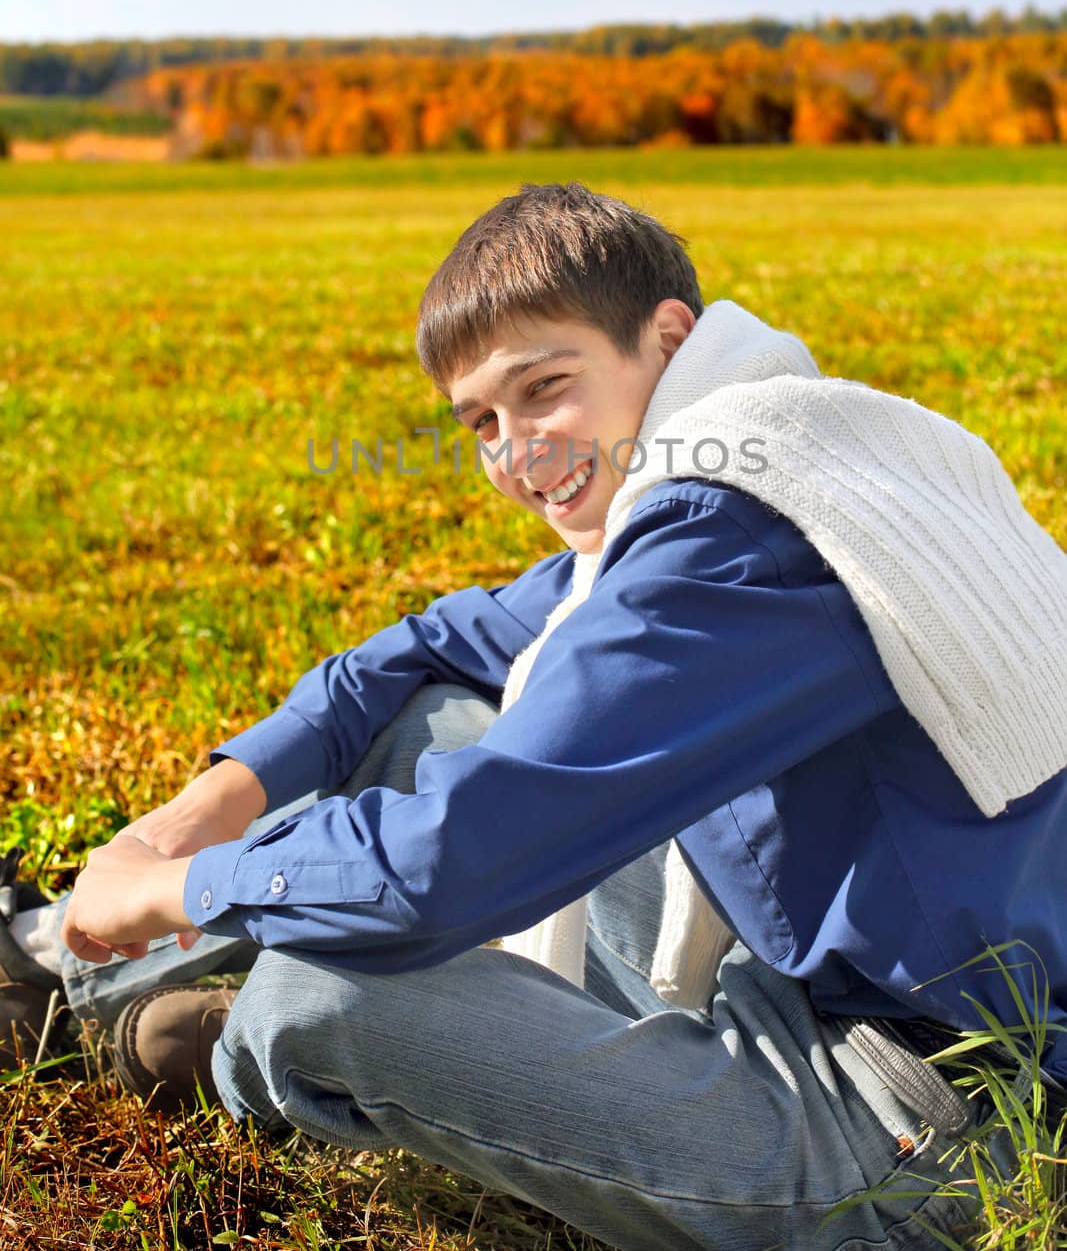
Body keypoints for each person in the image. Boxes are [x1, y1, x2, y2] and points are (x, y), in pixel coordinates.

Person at [2, 182, 1065, 1251]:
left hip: (926, 1125)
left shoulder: (731, 541)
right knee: (425, 723)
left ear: (665, 336)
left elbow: (440, 867)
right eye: (481, 424)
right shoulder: (793, 449)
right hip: (811, 970)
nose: (517, 456)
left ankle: (225, 1051)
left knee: (317, 996)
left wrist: (184, 882)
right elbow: (429, 647)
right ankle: (62, 967)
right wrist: (198, 810)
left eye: (544, 389)